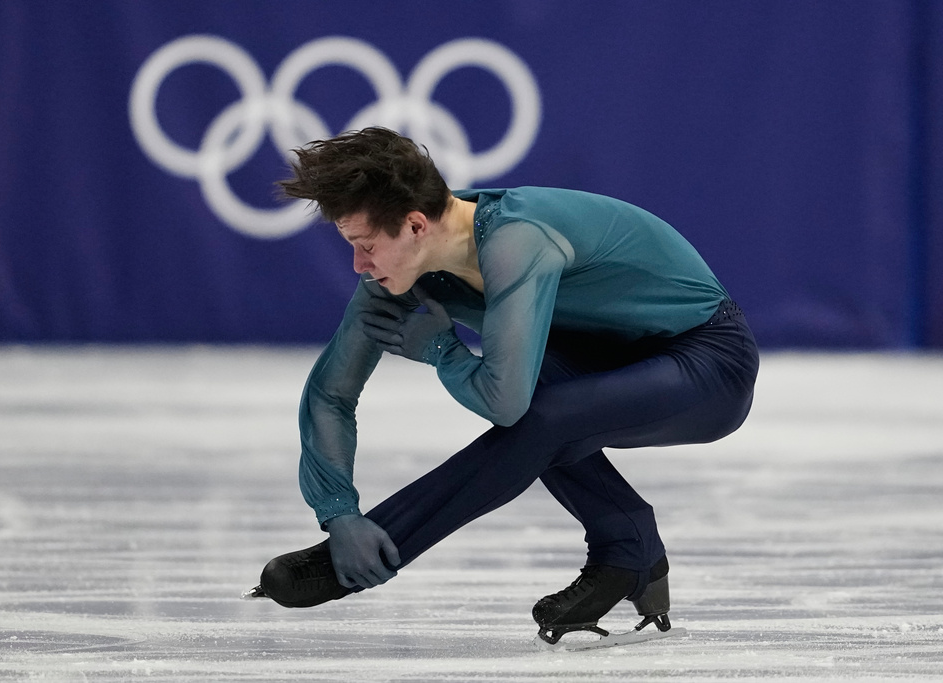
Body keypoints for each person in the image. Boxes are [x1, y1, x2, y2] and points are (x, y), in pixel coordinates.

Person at [247, 127, 759, 644]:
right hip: (603, 363)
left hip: (708, 362)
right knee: (542, 399)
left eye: (365, 246)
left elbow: (506, 405)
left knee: (541, 413)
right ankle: (627, 547)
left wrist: (442, 351)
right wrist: (338, 513)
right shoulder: (401, 268)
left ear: (415, 224)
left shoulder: (517, 238)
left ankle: (378, 552)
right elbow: (330, 393)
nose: (358, 265)